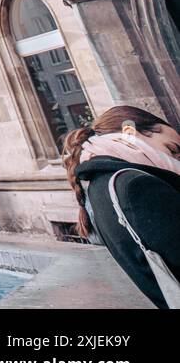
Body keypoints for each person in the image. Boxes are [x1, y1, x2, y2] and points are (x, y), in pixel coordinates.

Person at [63, 106, 180, 310]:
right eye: (173, 150)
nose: (176, 160)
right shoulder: (135, 185)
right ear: (130, 134)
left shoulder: (101, 184)